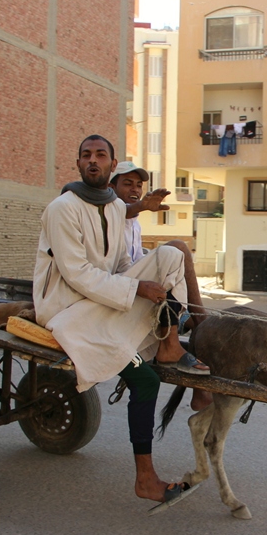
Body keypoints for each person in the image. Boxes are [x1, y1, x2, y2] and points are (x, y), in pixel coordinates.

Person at [33, 134, 208, 511]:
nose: (92, 160)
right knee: (144, 379)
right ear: (78, 164)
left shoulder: (112, 206)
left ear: (112, 165)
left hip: (104, 302)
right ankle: (145, 478)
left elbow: (117, 240)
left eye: (100, 155)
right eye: (85, 155)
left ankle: (170, 344)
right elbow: (77, 274)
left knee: (172, 254)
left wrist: (141, 210)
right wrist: (136, 289)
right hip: (69, 311)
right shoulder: (62, 208)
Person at [109, 161, 213, 410]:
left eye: (138, 185)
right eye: (127, 183)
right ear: (111, 187)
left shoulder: (133, 222)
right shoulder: (107, 212)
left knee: (190, 320)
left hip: (136, 284)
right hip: (117, 292)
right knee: (177, 247)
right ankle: (196, 327)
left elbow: (132, 259)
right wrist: (141, 206)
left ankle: (200, 384)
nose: (134, 189)